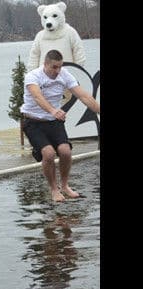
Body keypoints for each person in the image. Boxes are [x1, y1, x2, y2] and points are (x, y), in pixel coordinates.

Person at [20, 49, 100, 202]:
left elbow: (84, 96)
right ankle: (54, 189)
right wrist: (52, 110)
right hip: (33, 122)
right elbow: (37, 97)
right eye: (54, 67)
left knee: (65, 151)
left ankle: (64, 186)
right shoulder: (33, 76)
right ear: (46, 64)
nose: (58, 71)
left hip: (54, 122)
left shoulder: (64, 74)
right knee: (49, 153)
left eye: (60, 67)